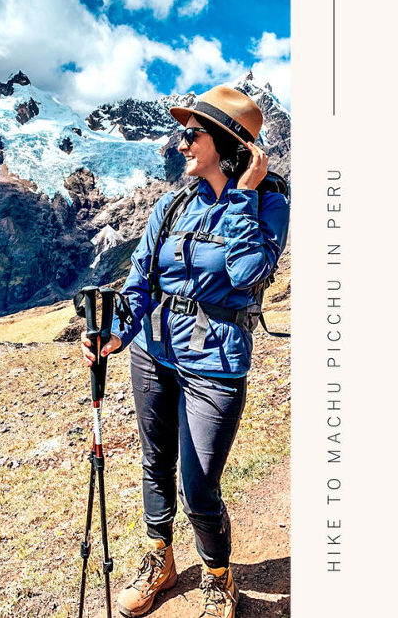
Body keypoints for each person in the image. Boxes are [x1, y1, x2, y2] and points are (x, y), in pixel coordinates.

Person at [80, 85, 290, 618]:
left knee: (198, 484)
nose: (180, 144)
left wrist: (241, 192)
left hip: (216, 363)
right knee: (155, 462)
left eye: (191, 134)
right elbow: (140, 283)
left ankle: (218, 576)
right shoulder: (172, 205)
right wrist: (115, 334)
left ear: (227, 144)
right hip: (153, 354)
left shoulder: (268, 203)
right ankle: (159, 560)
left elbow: (248, 275)